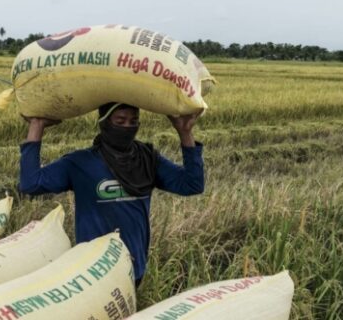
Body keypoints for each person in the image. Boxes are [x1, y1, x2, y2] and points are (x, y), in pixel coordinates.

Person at [19, 102, 204, 287]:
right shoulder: (81, 163)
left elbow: (192, 184)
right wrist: (37, 127)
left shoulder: (147, 160)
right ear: (104, 122)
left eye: (133, 121)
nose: (127, 127)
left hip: (134, 267)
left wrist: (185, 133)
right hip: (92, 270)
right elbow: (31, 183)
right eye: (120, 121)